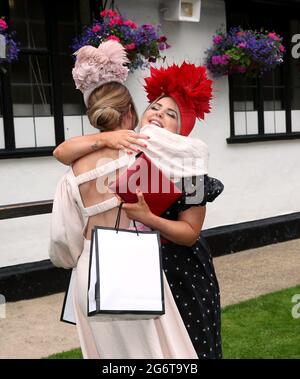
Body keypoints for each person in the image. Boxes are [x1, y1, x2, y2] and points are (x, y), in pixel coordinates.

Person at [52, 56, 224, 358]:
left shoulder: (193, 167)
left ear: (182, 127)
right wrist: (107, 136)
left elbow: (190, 234)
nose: (158, 114)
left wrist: (148, 218)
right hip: (132, 263)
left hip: (181, 272)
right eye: (155, 107)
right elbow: (63, 151)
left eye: (171, 114)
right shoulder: (131, 147)